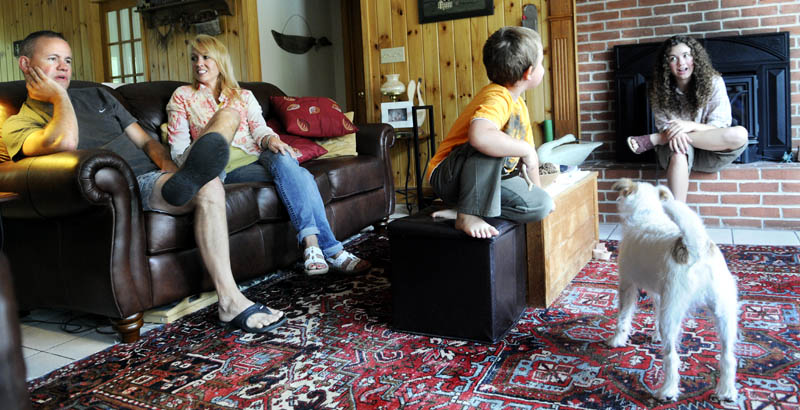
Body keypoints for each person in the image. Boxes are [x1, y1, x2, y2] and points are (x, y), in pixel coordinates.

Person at [2, 30, 285, 334]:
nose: (64, 67)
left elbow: (148, 144)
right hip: (130, 187)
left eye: (68, 60)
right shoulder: (18, 123)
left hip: (160, 177)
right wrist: (59, 98)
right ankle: (229, 298)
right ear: (25, 64)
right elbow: (66, 142)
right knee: (209, 182)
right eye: (53, 59)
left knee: (226, 120)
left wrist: (172, 171)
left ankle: (192, 181)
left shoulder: (99, 96)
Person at [166, 35, 370, 276]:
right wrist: (199, 159)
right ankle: (331, 250)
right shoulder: (182, 96)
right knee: (302, 175)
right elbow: (178, 151)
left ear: (219, 60)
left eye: (205, 57)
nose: (199, 63)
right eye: (194, 58)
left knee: (285, 158)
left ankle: (313, 246)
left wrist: (271, 139)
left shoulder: (243, 96)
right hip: (225, 168)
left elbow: (259, 128)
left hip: (256, 156)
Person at [425, 26, 554, 239]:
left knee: (541, 205)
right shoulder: (497, 97)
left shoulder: (518, 104)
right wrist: (527, 150)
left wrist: (540, 192)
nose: (543, 67)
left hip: (484, 181)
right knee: (490, 142)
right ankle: (468, 214)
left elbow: (527, 164)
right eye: (541, 62)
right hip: (448, 176)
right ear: (529, 72)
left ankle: (465, 207)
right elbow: (480, 136)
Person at [626, 35, 748, 202]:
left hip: (711, 153)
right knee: (678, 150)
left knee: (739, 134)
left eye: (686, 55)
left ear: (695, 58)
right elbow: (665, 126)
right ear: (666, 65)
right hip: (675, 151)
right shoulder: (659, 89)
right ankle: (678, 214)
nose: (681, 63)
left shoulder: (714, 82)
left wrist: (687, 125)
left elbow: (719, 126)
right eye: (673, 58)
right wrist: (671, 133)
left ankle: (656, 139)